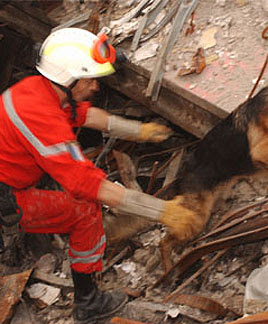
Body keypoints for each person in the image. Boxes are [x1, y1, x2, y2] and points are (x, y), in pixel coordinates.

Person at [0, 27, 199, 324]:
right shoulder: (41, 117)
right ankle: (89, 303)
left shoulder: (39, 89)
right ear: (70, 79)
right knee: (84, 210)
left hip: (10, 179)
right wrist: (163, 211)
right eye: (91, 79)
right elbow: (86, 184)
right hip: (7, 196)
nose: (95, 87)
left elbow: (85, 115)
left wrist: (139, 131)